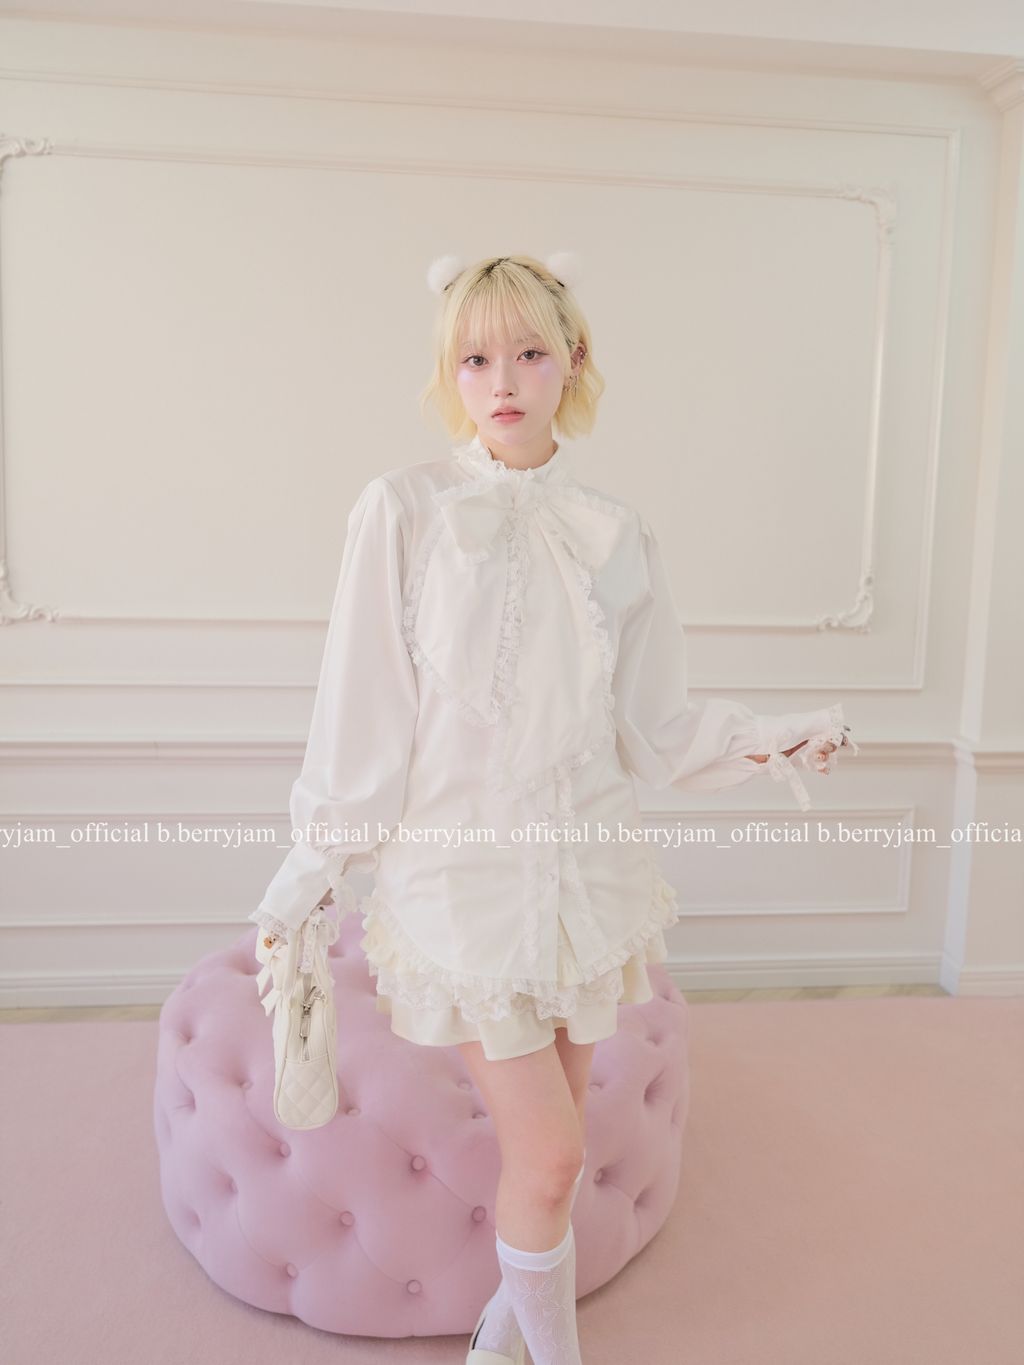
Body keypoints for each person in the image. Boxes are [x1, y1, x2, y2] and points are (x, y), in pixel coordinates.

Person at [249, 253, 855, 1365]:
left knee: (551, 1159)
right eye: (475, 358)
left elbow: (651, 725)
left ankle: (503, 1337)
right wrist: (312, 866)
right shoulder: (403, 509)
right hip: (466, 887)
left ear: (572, 361)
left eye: (528, 352)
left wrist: (768, 738)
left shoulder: (616, 530)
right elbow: (363, 709)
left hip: (587, 883)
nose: (502, 380)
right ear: (450, 373)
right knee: (554, 1156)